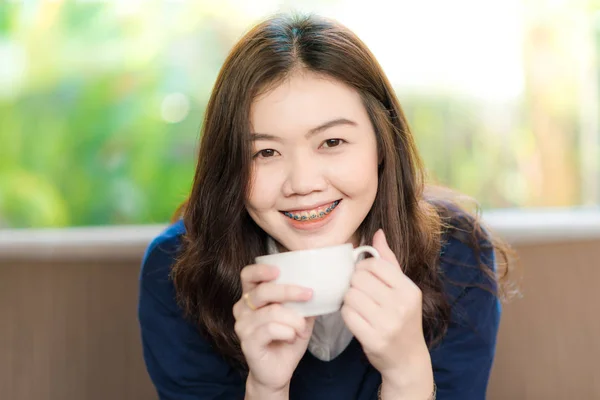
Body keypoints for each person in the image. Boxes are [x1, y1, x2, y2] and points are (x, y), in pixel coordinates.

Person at [138, 13, 513, 400]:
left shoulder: (456, 253)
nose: (302, 184)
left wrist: (406, 374)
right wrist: (266, 388)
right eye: (265, 152)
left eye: (332, 143)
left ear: (383, 144)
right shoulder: (178, 272)